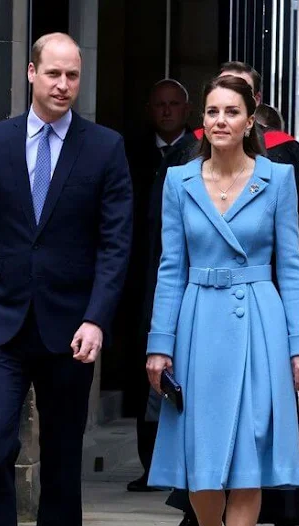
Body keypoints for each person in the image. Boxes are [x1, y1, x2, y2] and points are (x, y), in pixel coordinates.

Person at [0, 33, 133, 526]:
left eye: (73, 76)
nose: (63, 85)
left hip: (70, 329)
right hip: (0, 322)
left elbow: (116, 243)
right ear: (31, 72)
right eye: (53, 73)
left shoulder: (105, 148)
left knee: (61, 458)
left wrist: (97, 318)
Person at [146, 74, 299, 526]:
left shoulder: (278, 178)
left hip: (259, 323)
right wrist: (158, 345)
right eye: (212, 111)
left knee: (246, 462)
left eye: (231, 111)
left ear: (250, 121)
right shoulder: (178, 181)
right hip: (197, 321)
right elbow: (170, 268)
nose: (220, 120)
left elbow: (290, 265)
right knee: (200, 470)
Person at [124, 79, 192, 492]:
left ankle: (179, 466)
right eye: (160, 105)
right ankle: (149, 464)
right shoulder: (133, 152)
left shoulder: (196, 154)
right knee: (143, 370)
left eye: (174, 105)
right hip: (141, 274)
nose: (167, 111)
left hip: (186, 277)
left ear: (187, 109)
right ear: (150, 108)